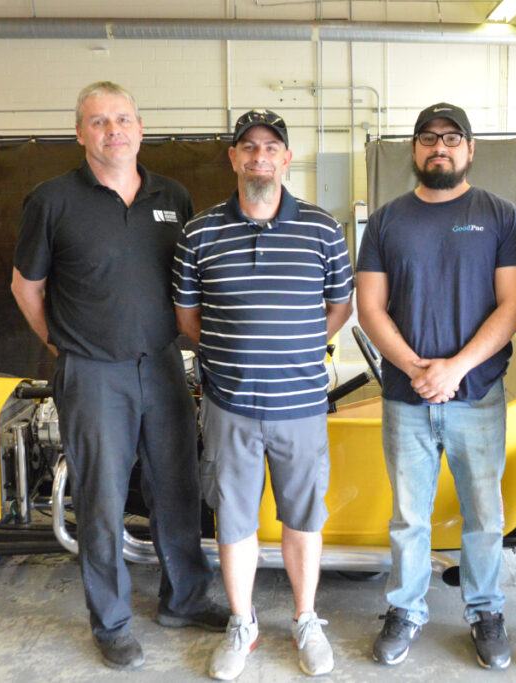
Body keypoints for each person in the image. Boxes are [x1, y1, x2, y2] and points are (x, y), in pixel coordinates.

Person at [11, 81, 226, 671]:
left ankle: (183, 598)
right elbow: (25, 287)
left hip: (160, 364)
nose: (114, 131)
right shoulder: (51, 200)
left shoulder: (172, 197)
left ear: (140, 126)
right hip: (93, 373)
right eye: (99, 122)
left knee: (176, 489)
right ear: (80, 133)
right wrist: (60, 344)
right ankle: (111, 621)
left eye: (123, 118)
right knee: (102, 501)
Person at [173, 109, 353, 680]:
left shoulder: (323, 229)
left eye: (270, 146)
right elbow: (187, 315)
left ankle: (305, 619)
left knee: (303, 519)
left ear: (286, 158)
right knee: (235, 522)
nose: (259, 156)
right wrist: (237, 355)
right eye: (247, 147)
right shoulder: (198, 232)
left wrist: (295, 350)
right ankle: (243, 622)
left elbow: (339, 306)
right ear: (233, 158)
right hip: (229, 407)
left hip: (300, 409)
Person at [356, 102, 516, 670]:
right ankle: (406, 610)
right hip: (406, 399)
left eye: (452, 138)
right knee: (410, 515)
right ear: (414, 150)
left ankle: (485, 610)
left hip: (477, 394)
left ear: (470, 149)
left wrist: (454, 368)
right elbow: (370, 308)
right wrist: (415, 369)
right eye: (428, 138)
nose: (440, 147)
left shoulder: (500, 216)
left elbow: (514, 305)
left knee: (484, 515)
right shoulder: (385, 221)